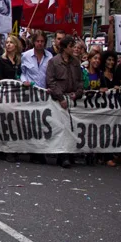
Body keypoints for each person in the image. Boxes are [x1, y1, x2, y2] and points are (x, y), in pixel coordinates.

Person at [46, 35, 83, 168]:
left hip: (72, 99)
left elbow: (80, 80)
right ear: (64, 48)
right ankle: (63, 156)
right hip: (59, 100)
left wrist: (77, 93)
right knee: (62, 128)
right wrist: (60, 97)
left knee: (72, 128)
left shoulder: (75, 62)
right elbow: (50, 81)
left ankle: (70, 154)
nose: (74, 49)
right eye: (71, 46)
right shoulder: (54, 62)